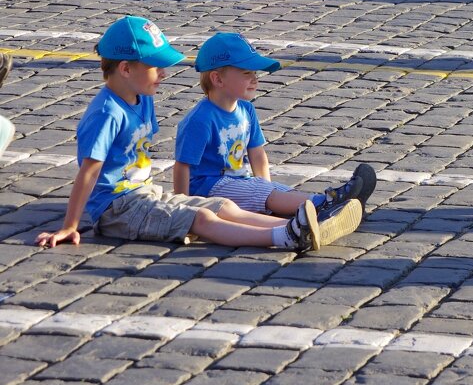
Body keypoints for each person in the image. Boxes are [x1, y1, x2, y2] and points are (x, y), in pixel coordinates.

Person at [34, 16, 363, 251]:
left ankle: (297, 226)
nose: (163, 74)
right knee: (201, 218)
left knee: (221, 205)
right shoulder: (107, 113)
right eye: (155, 67)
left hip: (143, 195)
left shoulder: (142, 97)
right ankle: (283, 238)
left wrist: (175, 197)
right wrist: (70, 225)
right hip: (115, 210)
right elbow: (89, 171)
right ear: (125, 68)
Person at [173, 32, 377, 216]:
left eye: (255, 74)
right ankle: (327, 204)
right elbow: (182, 166)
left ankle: (336, 205)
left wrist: (266, 189)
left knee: (281, 190)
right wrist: (184, 208)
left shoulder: (246, 110)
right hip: (208, 188)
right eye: (247, 73)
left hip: (239, 182)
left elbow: (257, 153)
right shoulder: (200, 119)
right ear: (217, 79)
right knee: (264, 192)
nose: (254, 79)